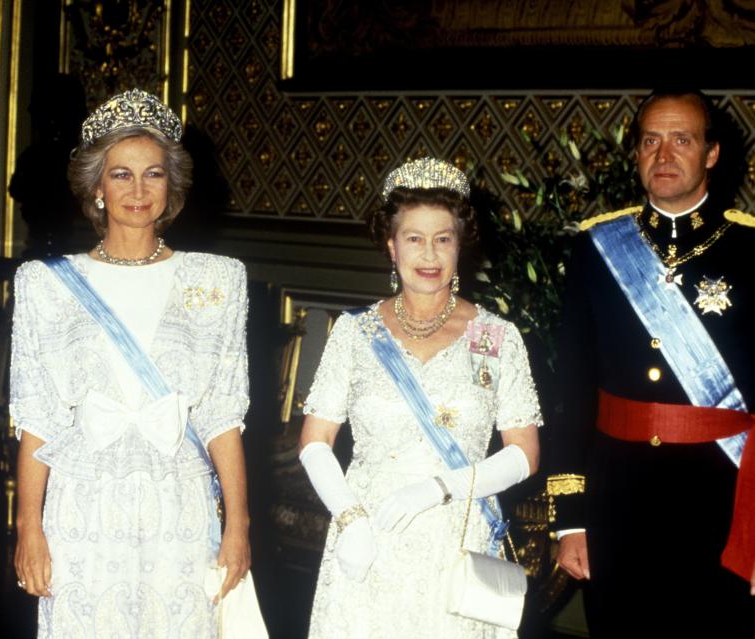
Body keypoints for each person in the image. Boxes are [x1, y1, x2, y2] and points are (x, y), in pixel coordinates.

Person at [10, 88, 253, 637]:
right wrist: (28, 527)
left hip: (180, 505)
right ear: (96, 186)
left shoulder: (217, 280)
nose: (138, 191)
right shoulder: (46, 284)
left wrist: (238, 525)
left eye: (154, 174)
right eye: (121, 175)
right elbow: (38, 419)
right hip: (82, 506)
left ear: (172, 187)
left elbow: (221, 417)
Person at [298, 158, 542, 638]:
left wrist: (439, 487)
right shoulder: (354, 332)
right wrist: (349, 517)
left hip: (456, 535)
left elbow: (525, 455)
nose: (428, 254)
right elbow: (314, 442)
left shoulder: (496, 337)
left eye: (442, 238)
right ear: (391, 245)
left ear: (459, 245)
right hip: (367, 531)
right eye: (413, 238)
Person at [549, 89, 755, 637]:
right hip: (618, 499)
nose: (663, 156)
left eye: (681, 140)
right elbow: (571, 386)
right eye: (650, 142)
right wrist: (571, 516)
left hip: (722, 501)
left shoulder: (751, 249)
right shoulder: (596, 246)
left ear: (711, 154)